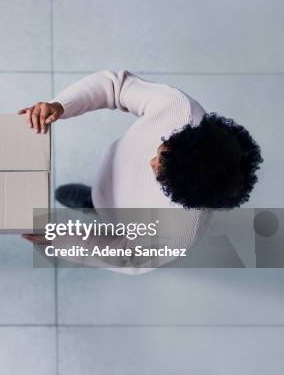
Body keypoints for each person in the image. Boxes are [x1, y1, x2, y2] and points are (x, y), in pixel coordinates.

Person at [19, 70, 262, 269]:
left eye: (162, 177)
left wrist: (61, 241)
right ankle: (93, 198)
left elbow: (126, 254)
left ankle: (95, 206)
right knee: (96, 195)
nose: (151, 163)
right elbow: (116, 87)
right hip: (111, 175)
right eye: (161, 151)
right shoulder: (179, 110)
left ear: (186, 197)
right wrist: (61, 105)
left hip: (127, 221)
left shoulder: (179, 232)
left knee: (107, 215)